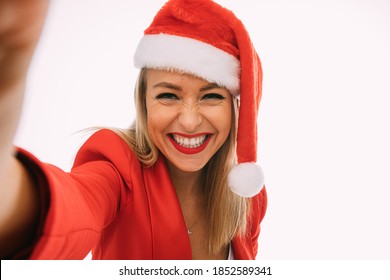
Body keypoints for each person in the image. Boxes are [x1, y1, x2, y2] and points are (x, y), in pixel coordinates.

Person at [0, 0, 267, 260]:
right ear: (144, 101)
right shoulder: (117, 164)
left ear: (236, 110)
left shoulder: (247, 198)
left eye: (211, 97)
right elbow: (75, 208)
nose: (189, 121)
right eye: (168, 96)